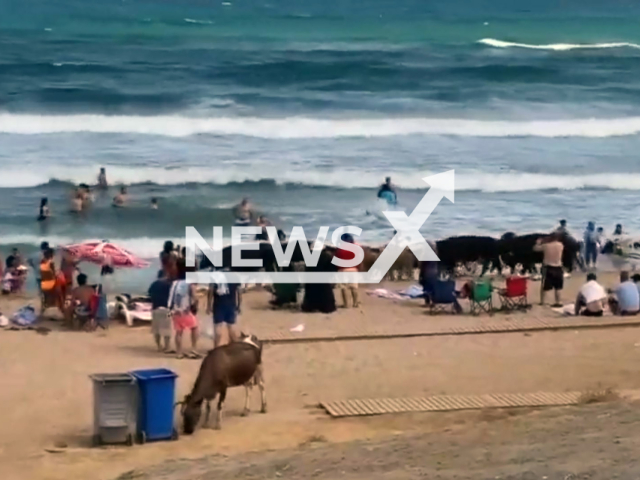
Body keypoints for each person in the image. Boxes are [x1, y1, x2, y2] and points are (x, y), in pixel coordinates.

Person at [168, 259, 200, 359]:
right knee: (194, 328)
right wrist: (196, 305)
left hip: (175, 310)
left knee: (179, 332)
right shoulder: (190, 282)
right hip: (186, 310)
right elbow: (194, 296)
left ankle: (179, 352)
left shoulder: (175, 283)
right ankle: (193, 349)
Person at [206, 271, 241, 347]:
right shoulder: (234, 275)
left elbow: (211, 290)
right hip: (231, 304)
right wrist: (239, 305)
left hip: (219, 304)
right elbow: (239, 292)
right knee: (231, 326)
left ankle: (216, 347)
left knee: (218, 326)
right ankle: (233, 346)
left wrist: (208, 305)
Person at [302, 249, 337, 313]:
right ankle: (326, 307)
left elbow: (307, 268)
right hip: (324, 277)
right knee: (325, 293)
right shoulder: (327, 256)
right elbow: (332, 267)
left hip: (312, 277)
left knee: (311, 292)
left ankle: (311, 307)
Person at [534, 232, 564, 307]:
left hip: (548, 267)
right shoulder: (560, 245)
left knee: (544, 286)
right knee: (558, 286)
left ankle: (542, 301)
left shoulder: (546, 246)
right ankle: (558, 301)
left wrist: (538, 243)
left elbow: (535, 249)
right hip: (558, 267)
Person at [148, 276, 173, 353]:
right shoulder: (170, 285)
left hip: (155, 309)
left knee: (156, 329)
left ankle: (159, 346)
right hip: (167, 310)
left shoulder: (154, 284)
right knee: (167, 328)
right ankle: (167, 346)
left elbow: (149, 293)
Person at [334, 233, 360, 308]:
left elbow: (336, 260)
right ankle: (356, 303)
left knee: (344, 287)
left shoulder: (340, 249)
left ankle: (346, 304)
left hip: (343, 269)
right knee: (354, 287)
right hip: (353, 269)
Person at [39, 248, 61, 313]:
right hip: (51, 281)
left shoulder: (42, 261)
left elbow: (42, 271)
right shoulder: (51, 262)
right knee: (54, 296)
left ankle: (43, 311)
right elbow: (53, 273)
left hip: (43, 281)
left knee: (45, 297)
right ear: (51, 254)